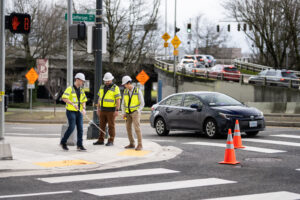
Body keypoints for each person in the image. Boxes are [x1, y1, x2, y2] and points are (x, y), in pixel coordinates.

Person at [60, 73, 88, 151]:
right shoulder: (69, 89)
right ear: (77, 80)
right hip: (70, 111)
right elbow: (64, 98)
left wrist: (84, 108)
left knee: (80, 129)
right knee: (72, 127)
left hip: (79, 112)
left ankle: (80, 145)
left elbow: (84, 101)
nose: (83, 82)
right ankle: (63, 142)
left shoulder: (81, 90)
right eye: (82, 81)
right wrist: (72, 103)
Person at [93, 72, 121, 146]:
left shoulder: (115, 88)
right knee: (101, 125)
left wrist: (117, 110)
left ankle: (111, 140)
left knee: (111, 126)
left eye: (108, 81)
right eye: (105, 81)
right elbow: (99, 98)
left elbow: (118, 100)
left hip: (111, 111)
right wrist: (98, 108)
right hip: (102, 110)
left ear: (111, 80)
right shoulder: (102, 87)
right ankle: (100, 140)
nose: (107, 82)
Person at [121, 76, 145, 151]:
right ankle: (132, 143)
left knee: (137, 128)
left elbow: (142, 103)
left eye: (125, 84)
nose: (124, 86)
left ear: (128, 83)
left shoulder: (137, 91)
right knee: (128, 128)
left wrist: (138, 110)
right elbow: (123, 104)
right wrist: (123, 113)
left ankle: (140, 144)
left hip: (135, 112)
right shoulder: (125, 91)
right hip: (127, 113)